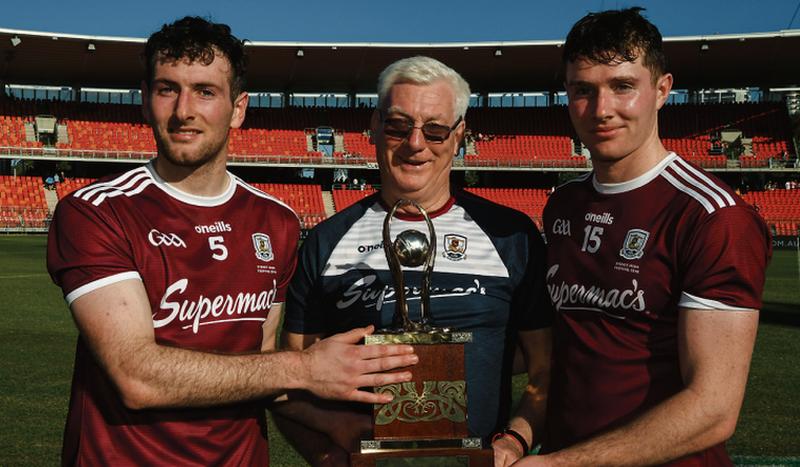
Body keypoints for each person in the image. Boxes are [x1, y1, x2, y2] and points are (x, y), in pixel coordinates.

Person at [46, 17, 416, 466]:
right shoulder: (96, 211)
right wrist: (303, 369)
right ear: (145, 101)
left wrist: (333, 432)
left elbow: (260, 366)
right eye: (167, 89)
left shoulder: (275, 221)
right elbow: (136, 377)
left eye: (205, 91)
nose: (184, 110)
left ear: (238, 108)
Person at [510, 7, 771, 466]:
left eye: (623, 86)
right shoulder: (564, 205)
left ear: (662, 90)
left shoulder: (712, 215)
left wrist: (559, 464)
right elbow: (557, 351)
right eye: (582, 90)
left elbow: (713, 409)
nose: (601, 109)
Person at [271, 56, 552, 465]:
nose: (415, 143)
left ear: (459, 136)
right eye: (398, 125)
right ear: (374, 126)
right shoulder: (327, 242)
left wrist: (513, 443)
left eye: (435, 129)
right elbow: (291, 382)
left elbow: (546, 369)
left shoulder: (512, 236)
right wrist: (328, 454)